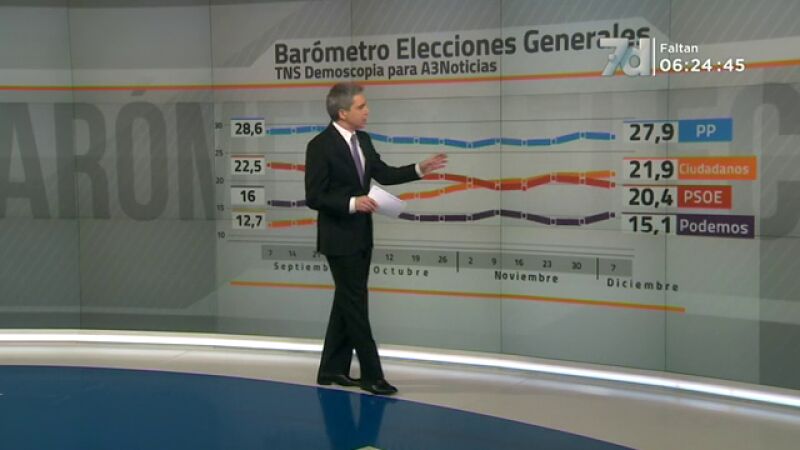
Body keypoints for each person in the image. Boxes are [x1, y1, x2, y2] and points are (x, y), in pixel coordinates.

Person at [305, 82, 447, 395]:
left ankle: (331, 370)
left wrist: (419, 169)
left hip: (361, 235)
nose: (367, 111)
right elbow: (314, 196)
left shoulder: (364, 140)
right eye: (361, 106)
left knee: (347, 301)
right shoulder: (320, 146)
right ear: (343, 112)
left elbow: (383, 173)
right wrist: (352, 203)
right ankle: (372, 375)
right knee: (355, 304)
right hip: (338, 238)